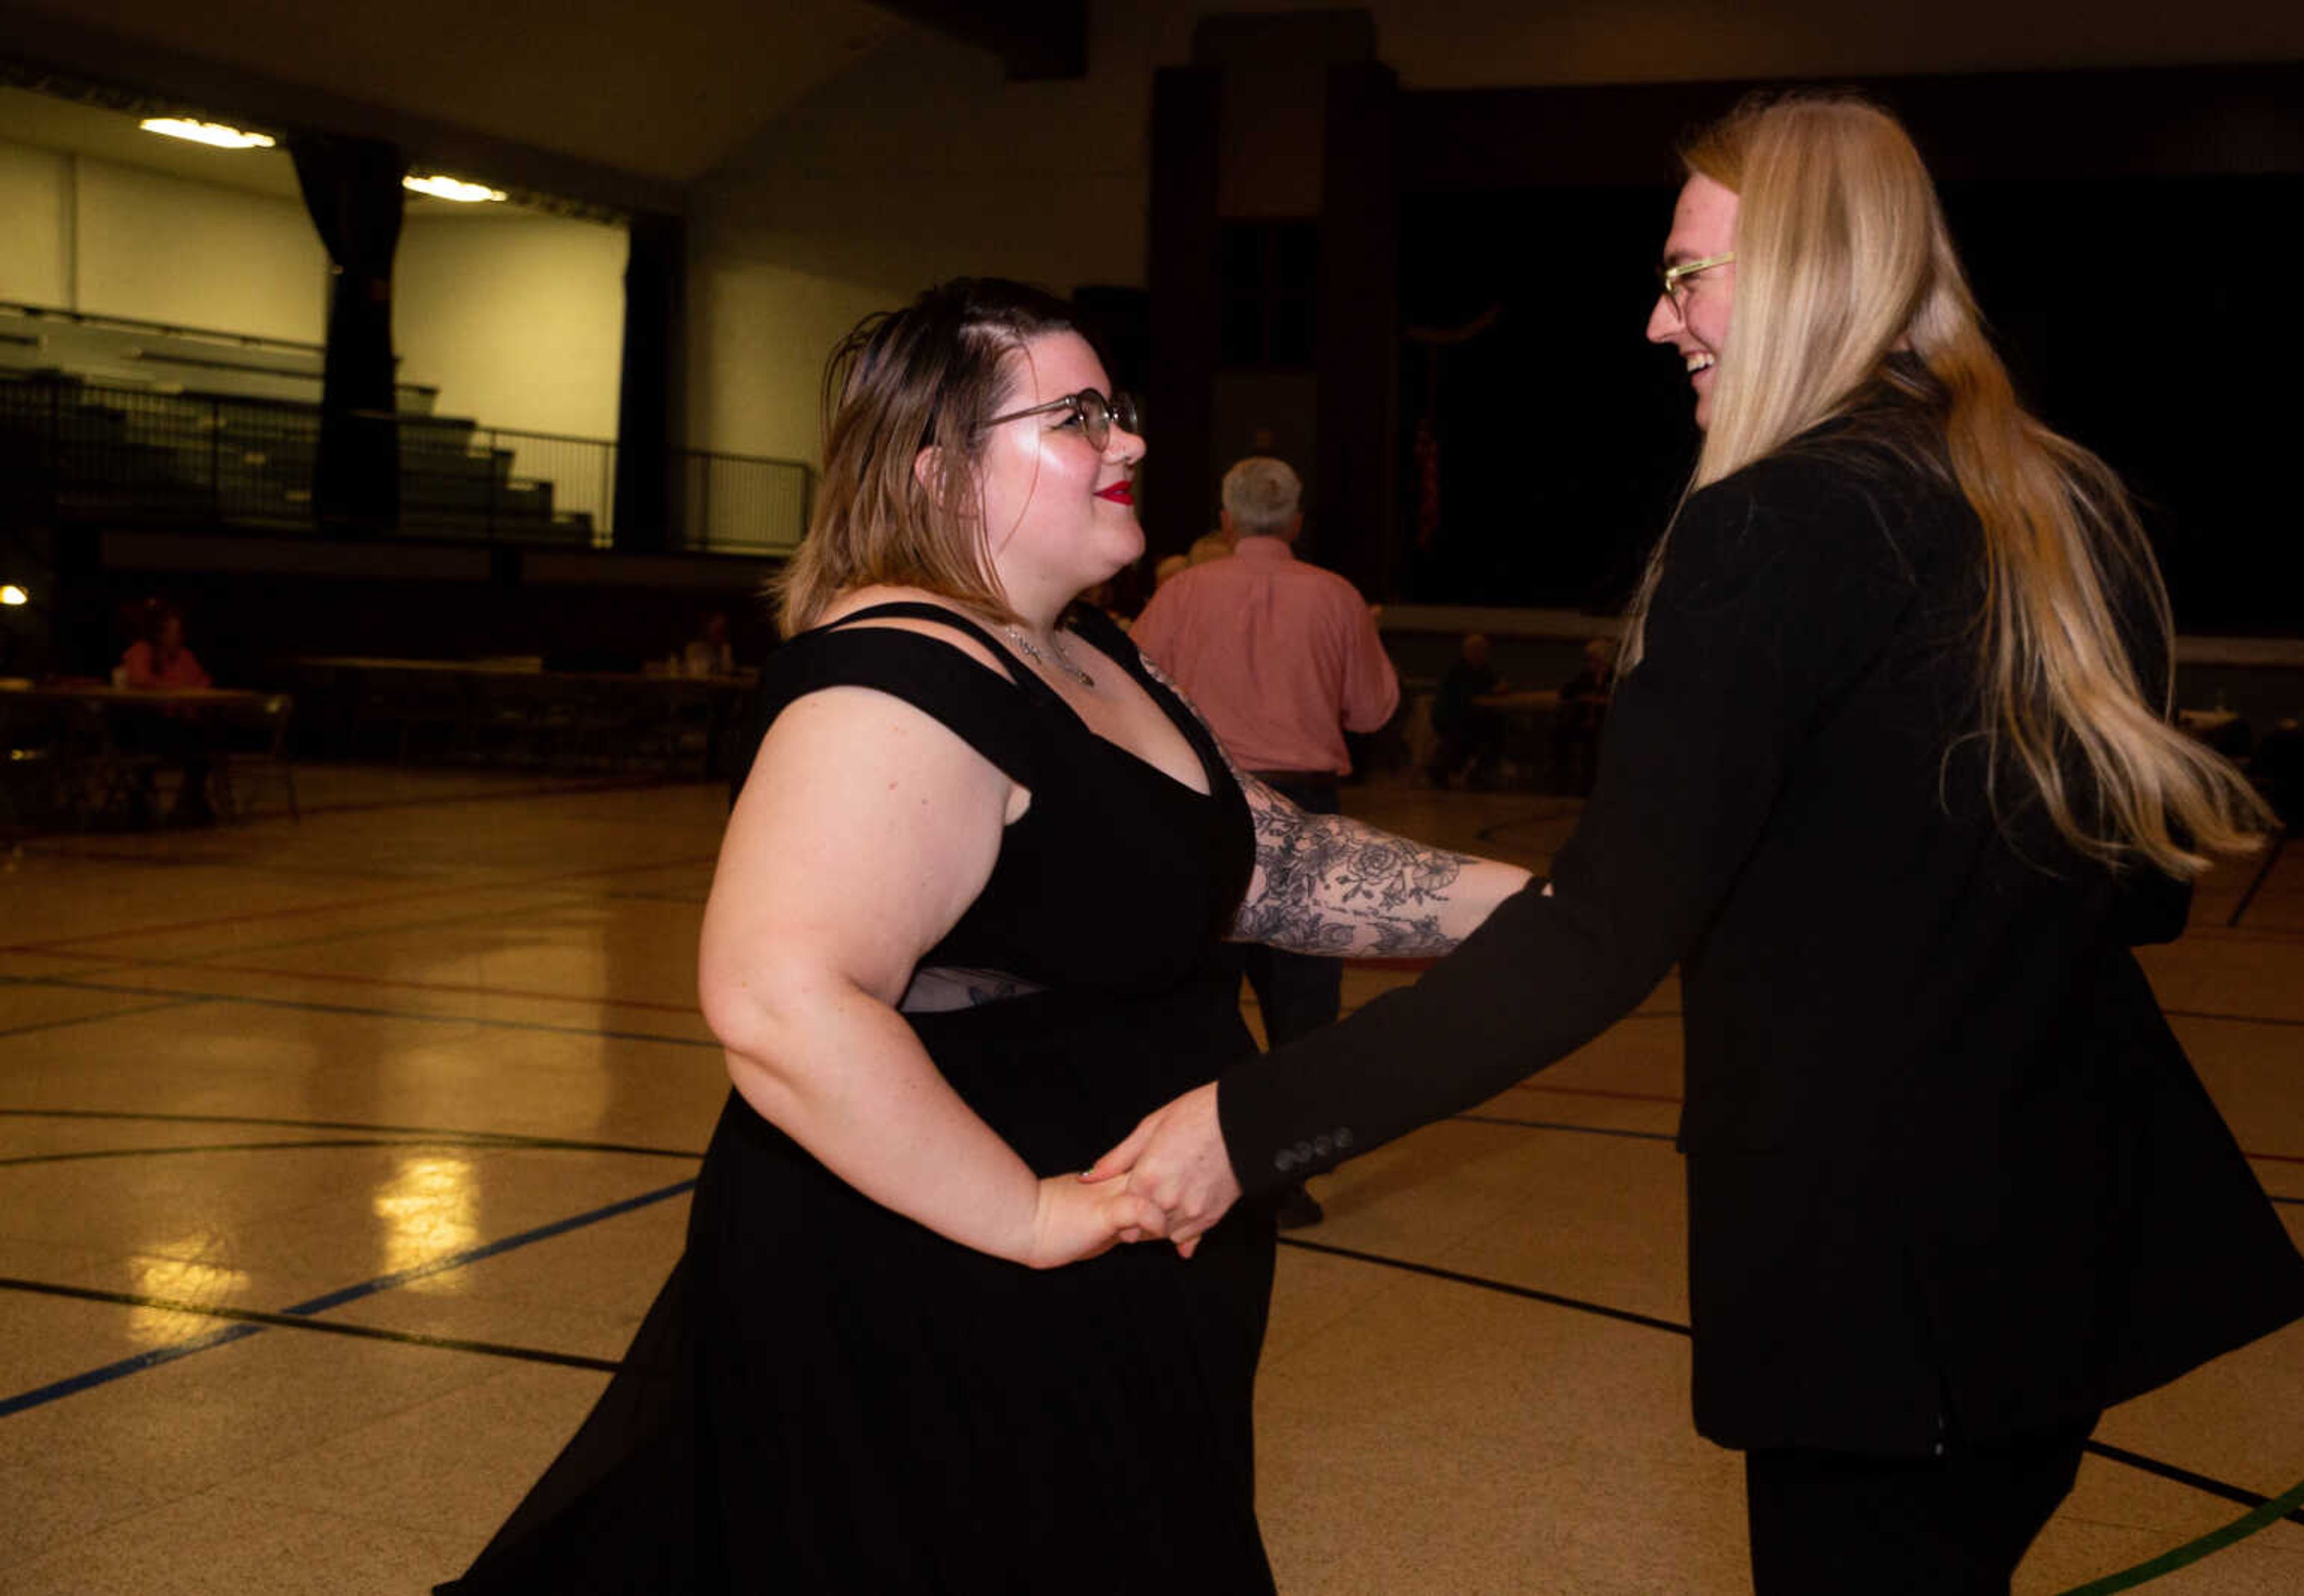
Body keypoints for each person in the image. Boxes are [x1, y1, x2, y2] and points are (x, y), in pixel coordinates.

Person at [1092, 95, 2304, 1594]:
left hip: (1885, 1274)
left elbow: (1605, 935)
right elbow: (2126, 894)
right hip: (2072, 1237)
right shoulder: (2057, 500)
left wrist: (1251, 1122)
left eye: (1686, 274)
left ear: (1812, 267)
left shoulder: (1774, 523)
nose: (1654, 319)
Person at [438, 279, 1529, 1593]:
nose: (1128, 441)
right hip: (944, 1297)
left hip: (1103, 1286)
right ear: (938, 467)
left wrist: (1545, 911)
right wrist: (1023, 1212)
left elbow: (1268, 862)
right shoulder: (898, 678)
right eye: (1078, 417)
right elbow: (781, 997)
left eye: (1118, 410)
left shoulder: (1093, 651)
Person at [1132, 455, 1402, 1228]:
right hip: (1306, 807)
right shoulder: (1337, 596)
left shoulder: (1181, 593)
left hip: (1208, 805)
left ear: (1224, 521)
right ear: (1295, 521)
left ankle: (1196, 1166)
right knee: (1305, 1003)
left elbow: (1132, 692)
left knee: (1198, 992)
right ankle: (1287, 1178)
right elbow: (1375, 710)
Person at [118, 600, 215, 824]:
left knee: (205, 742)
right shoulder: (141, 652)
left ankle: (190, 802)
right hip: (147, 723)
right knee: (179, 739)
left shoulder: (185, 657)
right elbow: (141, 681)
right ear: (159, 633)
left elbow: (203, 683)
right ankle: (142, 801)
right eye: (174, 632)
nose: (178, 638)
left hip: (177, 722)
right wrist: (175, 689)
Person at [1424, 631, 1507, 787]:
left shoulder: (1485, 671)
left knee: (1499, 730)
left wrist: (1499, 689)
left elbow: (1494, 686)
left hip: (1476, 719)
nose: (1482, 655)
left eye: (1484, 651)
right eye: (1478, 651)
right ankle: (1453, 769)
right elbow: (1466, 698)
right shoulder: (1457, 672)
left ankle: (1480, 773)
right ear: (1469, 652)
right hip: (1455, 719)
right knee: (1483, 733)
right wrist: (1491, 692)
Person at [1551, 634, 1616, 795]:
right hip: (1582, 722)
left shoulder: (1614, 677)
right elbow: (1566, 692)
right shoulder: (1585, 677)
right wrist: (1583, 698)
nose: (1590, 663)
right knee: (1560, 733)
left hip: (1604, 725)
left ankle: (1591, 783)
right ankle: (1561, 777)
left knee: (1594, 744)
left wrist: (1599, 700)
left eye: (1593, 659)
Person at [680, 611, 737, 676]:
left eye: (723, 629)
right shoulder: (694, 648)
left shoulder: (725, 649)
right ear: (707, 627)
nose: (720, 632)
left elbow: (728, 672)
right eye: (717, 628)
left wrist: (726, 652)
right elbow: (692, 672)